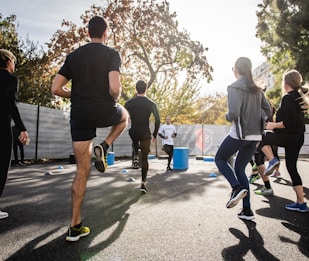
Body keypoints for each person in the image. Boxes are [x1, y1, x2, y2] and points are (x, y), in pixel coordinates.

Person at [51, 16, 128, 242]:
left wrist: (75, 94)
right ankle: (104, 146)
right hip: (104, 110)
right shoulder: (111, 54)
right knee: (124, 116)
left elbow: (56, 88)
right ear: (106, 34)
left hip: (80, 115)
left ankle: (75, 226)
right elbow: (114, 88)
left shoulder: (74, 56)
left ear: (87, 34)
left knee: (81, 171)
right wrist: (115, 95)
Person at [214, 57, 272, 220]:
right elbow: (268, 112)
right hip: (255, 136)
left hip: (240, 133)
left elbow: (233, 113)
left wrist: (226, 115)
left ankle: (236, 187)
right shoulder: (257, 89)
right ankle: (247, 210)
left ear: (237, 70)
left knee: (219, 158)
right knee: (239, 168)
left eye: (233, 68)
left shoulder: (233, 87)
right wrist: (257, 119)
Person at [260, 69, 309, 212]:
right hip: (298, 137)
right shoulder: (299, 98)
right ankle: (301, 203)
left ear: (286, 83)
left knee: (262, 136)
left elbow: (288, 122)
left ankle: (272, 160)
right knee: (292, 168)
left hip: (289, 137)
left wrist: (273, 125)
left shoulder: (288, 98)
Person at [0, 49, 29, 220]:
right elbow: (12, 105)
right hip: (2, 126)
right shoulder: (10, 79)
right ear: (8, 62)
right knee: (2, 165)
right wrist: (22, 128)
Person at [125, 80, 160, 194]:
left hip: (134, 131)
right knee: (144, 159)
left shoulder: (130, 102)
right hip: (145, 133)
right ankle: (143, 184)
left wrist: (128, 119)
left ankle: (135, 155)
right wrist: (154, 134)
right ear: (146, 89)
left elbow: (123, 114)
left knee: (135, 140)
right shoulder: (151, 104)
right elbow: (158, 120)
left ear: (136, 89)